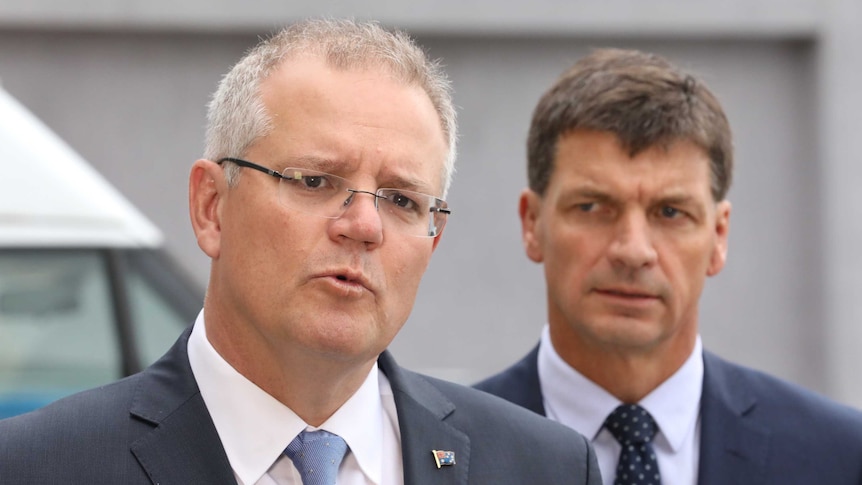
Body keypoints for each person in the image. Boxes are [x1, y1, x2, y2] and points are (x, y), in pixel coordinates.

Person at [0, 19, 602, 484]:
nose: (364, 225)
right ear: (212, 206)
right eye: (315, 181)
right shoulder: (35, 467)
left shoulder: (540, 466)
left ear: (433, 237)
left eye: (400, 199)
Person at [475, 48, 862, 485]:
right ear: (532, 223)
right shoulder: (439, 454)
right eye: (592, 206)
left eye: (670, 212)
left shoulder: (841, 456)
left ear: (719, 235)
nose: (633, 250)